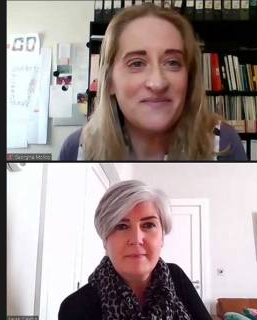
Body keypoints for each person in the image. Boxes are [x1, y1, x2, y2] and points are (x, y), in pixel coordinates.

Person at [59, 4, 246, 160]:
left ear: (189, 78)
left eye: (172, 63)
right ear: (109, 82)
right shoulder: (76, 149)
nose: (158, 83)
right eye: (137, 63)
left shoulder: (224, 143)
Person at [59, 180, 212, 319]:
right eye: (122, 226)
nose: (136, 239)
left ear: (162, 237)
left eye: (148, 225)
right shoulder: (75, 307)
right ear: (105, 239)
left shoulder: (176, 277)